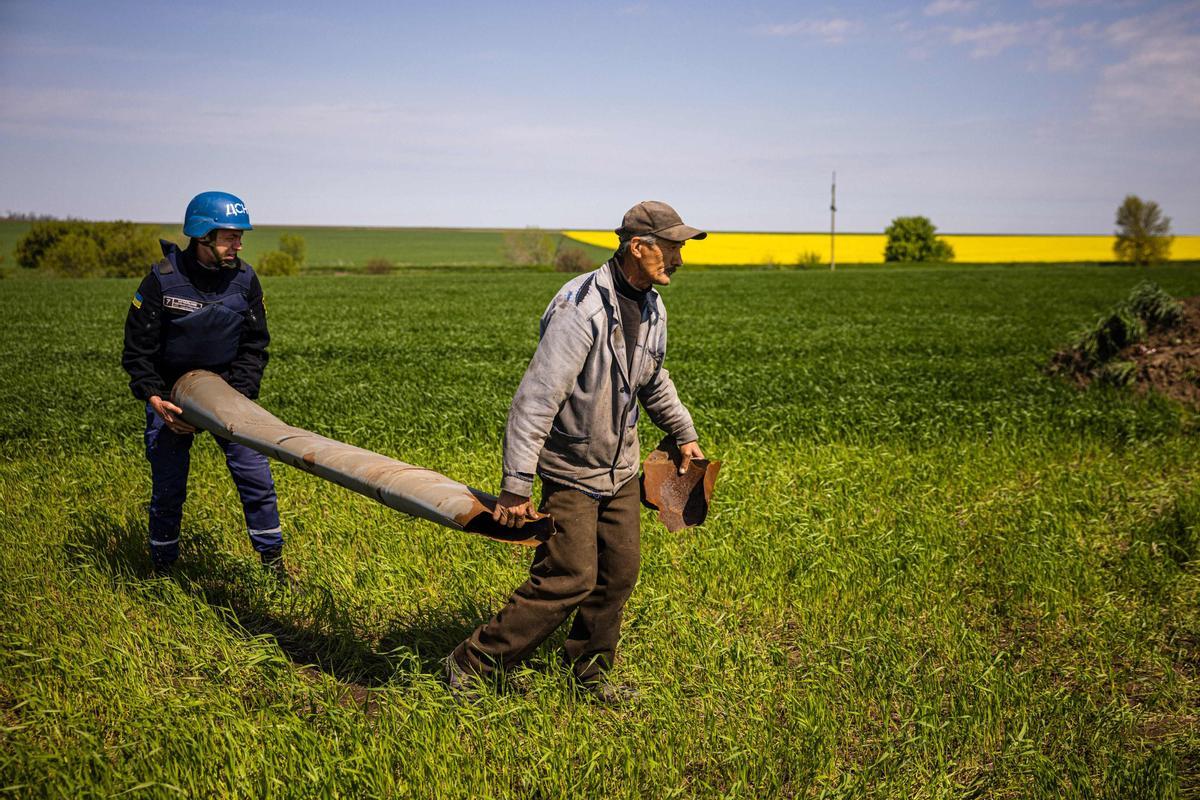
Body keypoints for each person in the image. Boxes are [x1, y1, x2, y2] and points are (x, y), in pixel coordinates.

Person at [447, 200, 706, 702]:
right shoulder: (580, 306)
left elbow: (652, 378)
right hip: (572, 469)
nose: (677, 259)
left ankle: (589, 675)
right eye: (671, 249)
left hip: (622, 469)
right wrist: (515, 486)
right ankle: (474, 663)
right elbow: (537, 398)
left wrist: (683, 433)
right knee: (568, 576)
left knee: (618, 574)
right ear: (638, 247)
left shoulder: (652, 305)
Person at [121, 191, 286, 578]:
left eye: (240, 236)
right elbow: (137, 351)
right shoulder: (162, 281)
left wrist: (236, 399)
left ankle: (274, 566)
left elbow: (254, 346)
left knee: (256, 477)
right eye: (230, 236)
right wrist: (156, 397)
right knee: (168, 486)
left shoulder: (245, 280)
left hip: (228, 395)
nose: (239, 245)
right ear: (202, 235)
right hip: (169, 399)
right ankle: (163, 570)